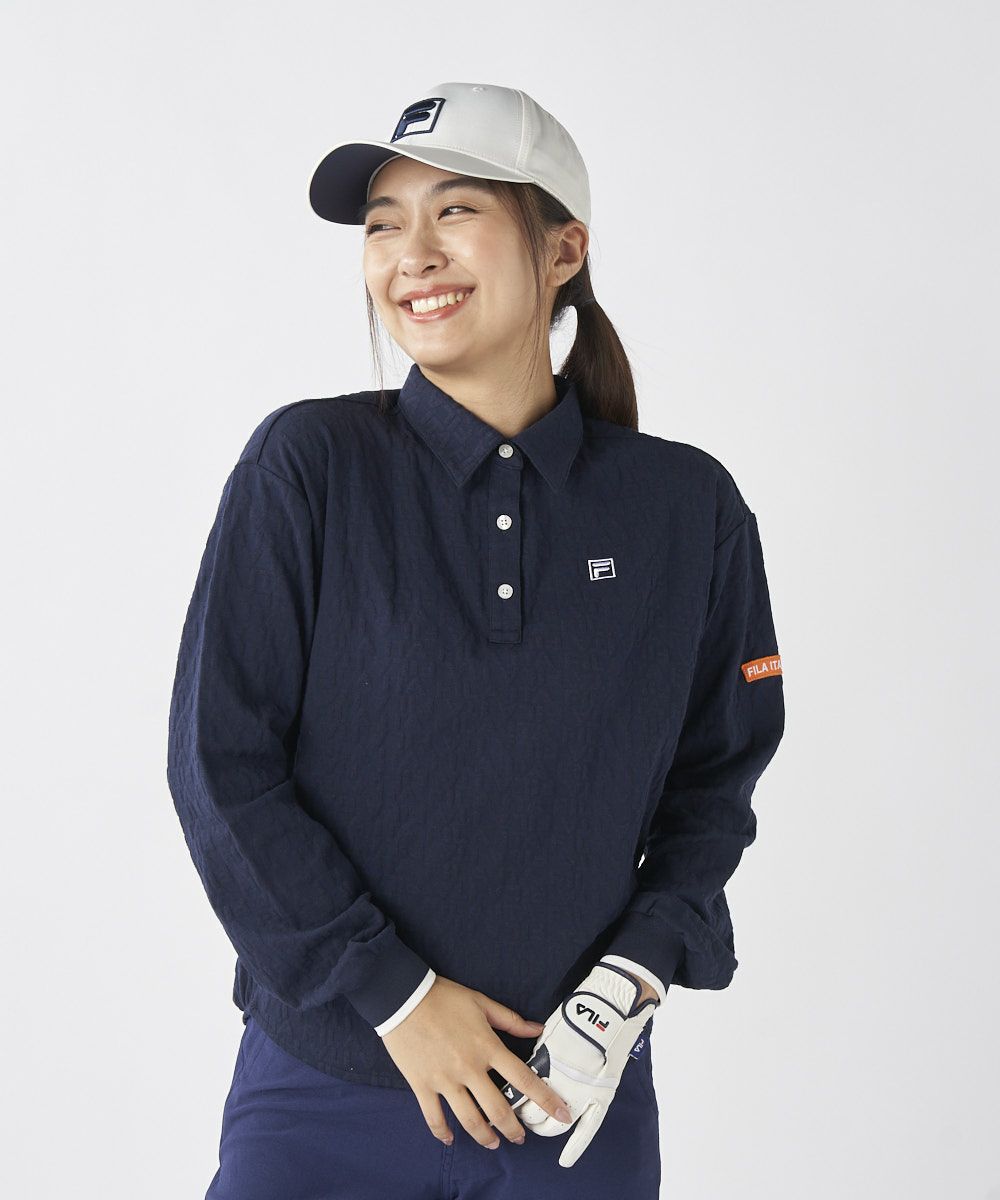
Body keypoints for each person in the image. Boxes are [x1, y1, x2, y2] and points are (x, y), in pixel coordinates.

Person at [166, 81, 785, 1199]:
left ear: (563, 250)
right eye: (383, 225)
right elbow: (222, 767)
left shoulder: (685, 508)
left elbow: (718, 775)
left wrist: (635, 974)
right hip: (323, 1093)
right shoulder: (307, 467)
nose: (412, 255)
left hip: (568, 1097)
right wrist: (397, 997)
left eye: (454, 210)